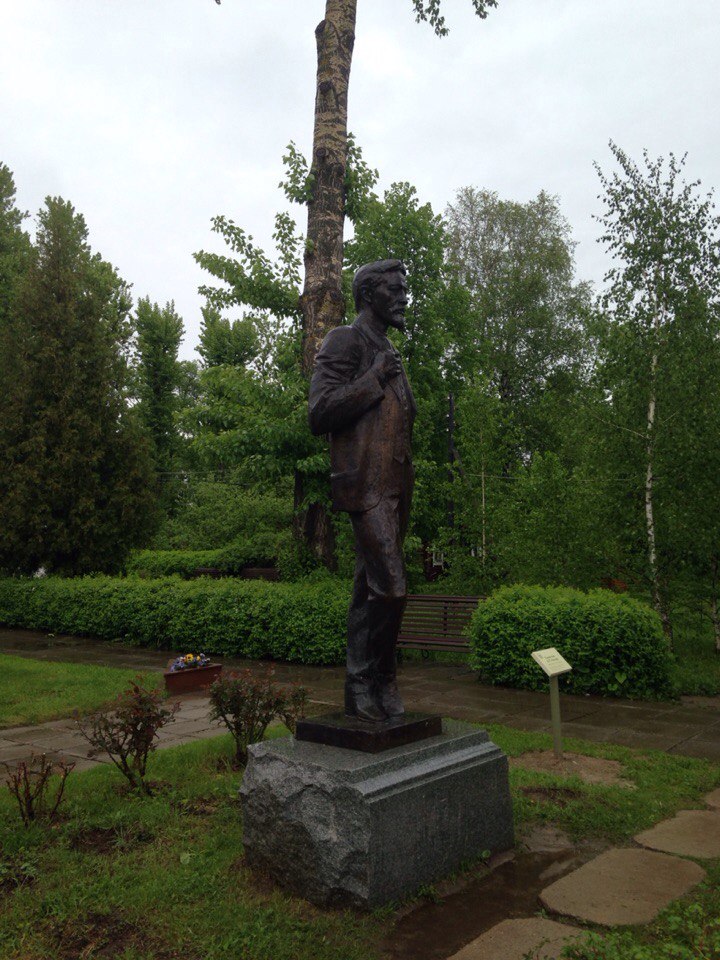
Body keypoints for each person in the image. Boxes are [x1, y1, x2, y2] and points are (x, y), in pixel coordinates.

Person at [308, 259, 416, 722]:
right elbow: (319, 411)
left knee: (367, 589)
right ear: (369, 294)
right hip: (366, 484)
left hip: (397, 485)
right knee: (391, 588)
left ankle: (361, 686)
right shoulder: (346, 340)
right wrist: (374, 378)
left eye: (405, 289)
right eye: (395, 290)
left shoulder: (388, 348)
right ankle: (378, 677)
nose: (404, 298)